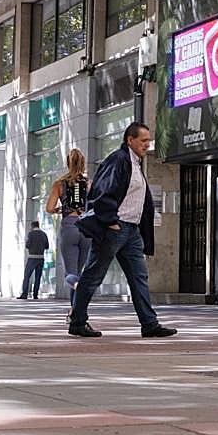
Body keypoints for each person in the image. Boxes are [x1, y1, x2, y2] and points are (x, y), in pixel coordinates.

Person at [71, 123, 177, 339]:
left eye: (148, 140)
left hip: (131, 231)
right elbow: (102, 190)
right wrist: (111, 221)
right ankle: (77, 322)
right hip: (115, 228)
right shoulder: (119, 160)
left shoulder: (136, 163)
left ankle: (149, 324)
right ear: (130, 140)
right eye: (143, 140)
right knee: (93, 275)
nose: (147, 145)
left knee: (139, 277)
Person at [45, 149, 92, 320]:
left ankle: (78, 286)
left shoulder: (59, 183)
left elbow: (49, 208)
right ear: (83, 163)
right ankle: (75, 313)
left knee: (71, 275)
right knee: (80, 271)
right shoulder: (89, 183)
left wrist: (60, 209)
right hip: (86, 228)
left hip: (69, 227)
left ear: (67, 163)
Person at [18, 221, 49, 300]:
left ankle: (24, 294)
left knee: (27, 276)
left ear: (32, 226)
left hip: (32, 257)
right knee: (38, 277)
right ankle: (35, 294)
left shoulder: (31, 234)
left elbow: (27, 245)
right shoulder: (44, 234)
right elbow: (47, 246)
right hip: (41, 258)